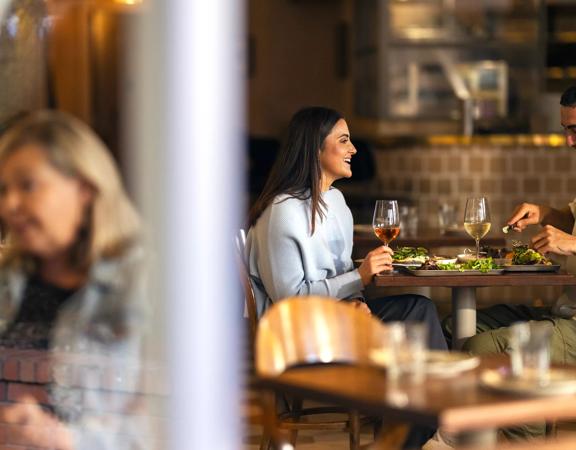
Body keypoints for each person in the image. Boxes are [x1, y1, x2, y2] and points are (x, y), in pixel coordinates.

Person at [245, 106, 447, 449]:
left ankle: (414, 432)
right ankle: (418, 434)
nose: (354, 149)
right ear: (315, 149)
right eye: (344, 140)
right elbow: (289, 301)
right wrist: (359, 278)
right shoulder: (283, 212)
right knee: (416, 317)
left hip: (330, 321)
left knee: (418, 311)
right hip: (295, 336)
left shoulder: (336, 201)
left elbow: (340, 278)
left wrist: (354, 300)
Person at [0, 110, 149, 449]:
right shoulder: (10, 281)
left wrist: (66, 439)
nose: (10, 204)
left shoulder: (141, 284)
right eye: (4, 189)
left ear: (84, 188)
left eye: (27, 185)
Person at [436, 86, 576, 446]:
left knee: (487, 349)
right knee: (455, 327)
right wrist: (544, 213)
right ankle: (456, 433)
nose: (570, 142)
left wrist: (572, 244)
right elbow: (570, 219)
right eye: (566, 131)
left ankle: (519, 445)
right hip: (564, 311)